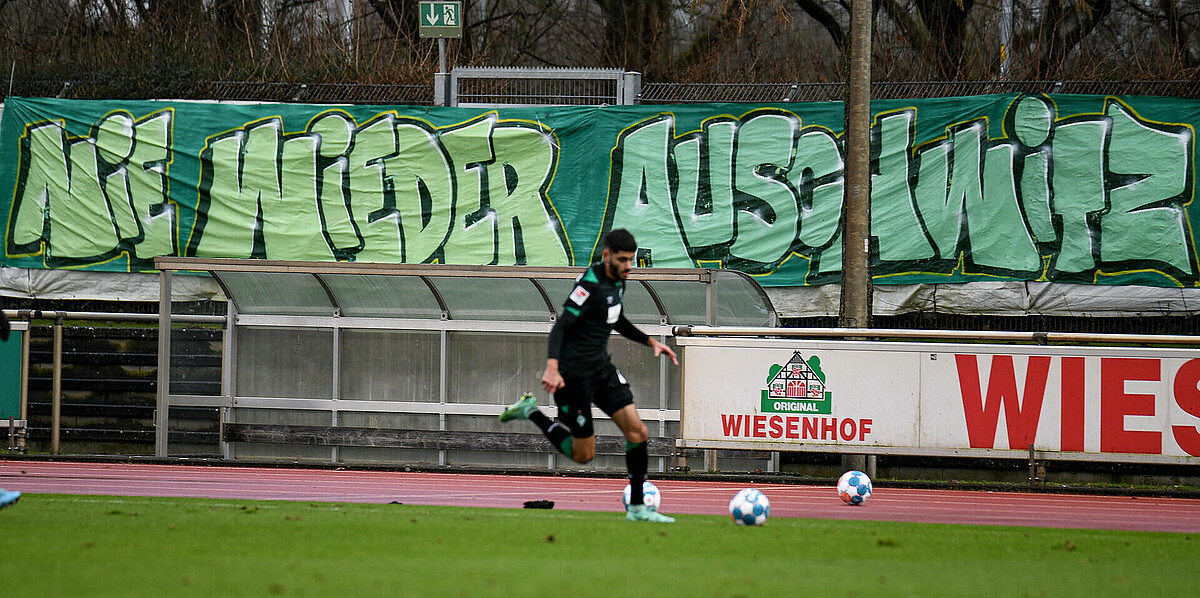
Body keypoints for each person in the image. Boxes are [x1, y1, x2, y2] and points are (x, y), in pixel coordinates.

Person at [500, 229, 679, 523]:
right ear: (607, 256)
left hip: (601, 370)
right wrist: (553, 367)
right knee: (583, 455)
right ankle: (532, 411)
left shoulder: (618, 282)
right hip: (573, 377)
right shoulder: (589, 284)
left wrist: (650, 341)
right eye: (622, 260)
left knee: (638, 433)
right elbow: (562, 326)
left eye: (630, 260)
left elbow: (615, 318)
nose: (627, 266)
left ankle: (637, 509)